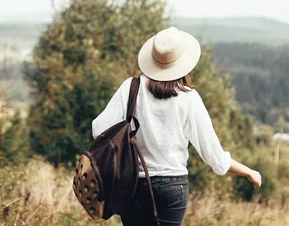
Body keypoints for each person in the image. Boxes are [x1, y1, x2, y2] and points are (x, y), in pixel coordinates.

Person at [92, 27, 262, 225]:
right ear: (183, 64)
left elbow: (99, 130)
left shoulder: (130, 87)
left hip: (134, 186)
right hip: (172, 188)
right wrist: (248, 171)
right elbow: (214, 156)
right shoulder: (188, 98)